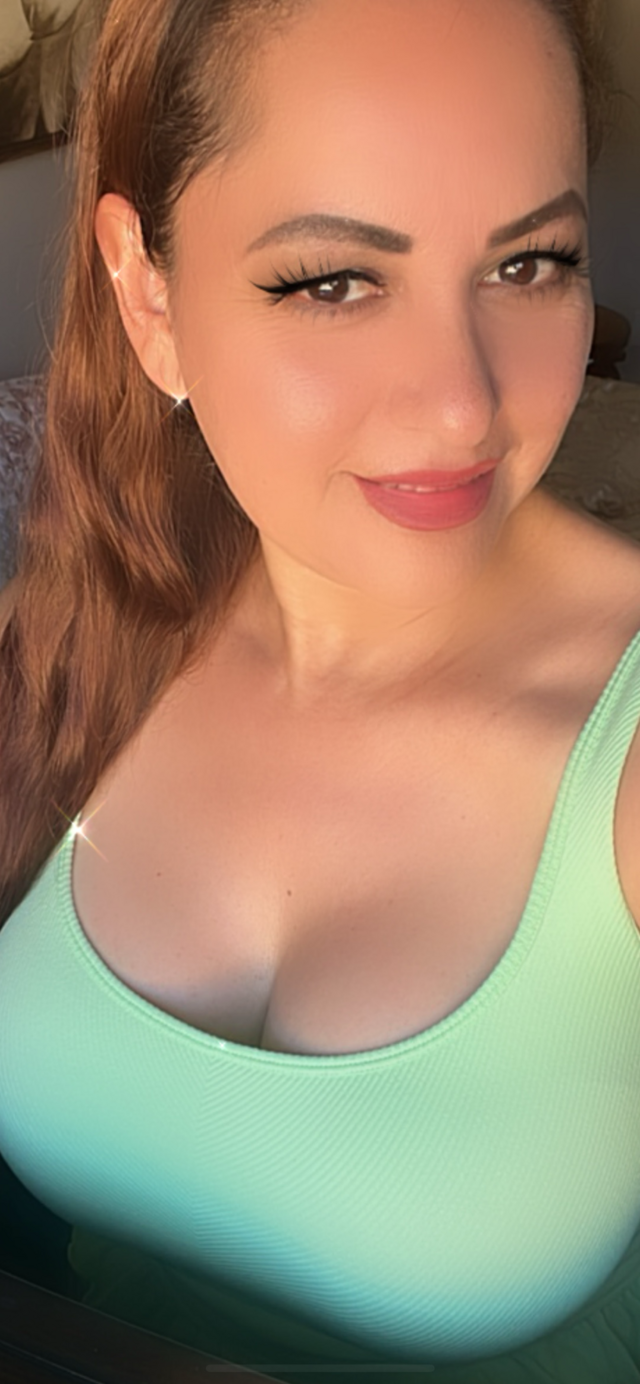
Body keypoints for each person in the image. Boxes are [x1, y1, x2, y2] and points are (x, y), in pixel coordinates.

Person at [1, 0, 639, 1378]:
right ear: (148, 299)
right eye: (334, 280)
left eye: (530, 262)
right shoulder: (73, 641)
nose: (464, 404)